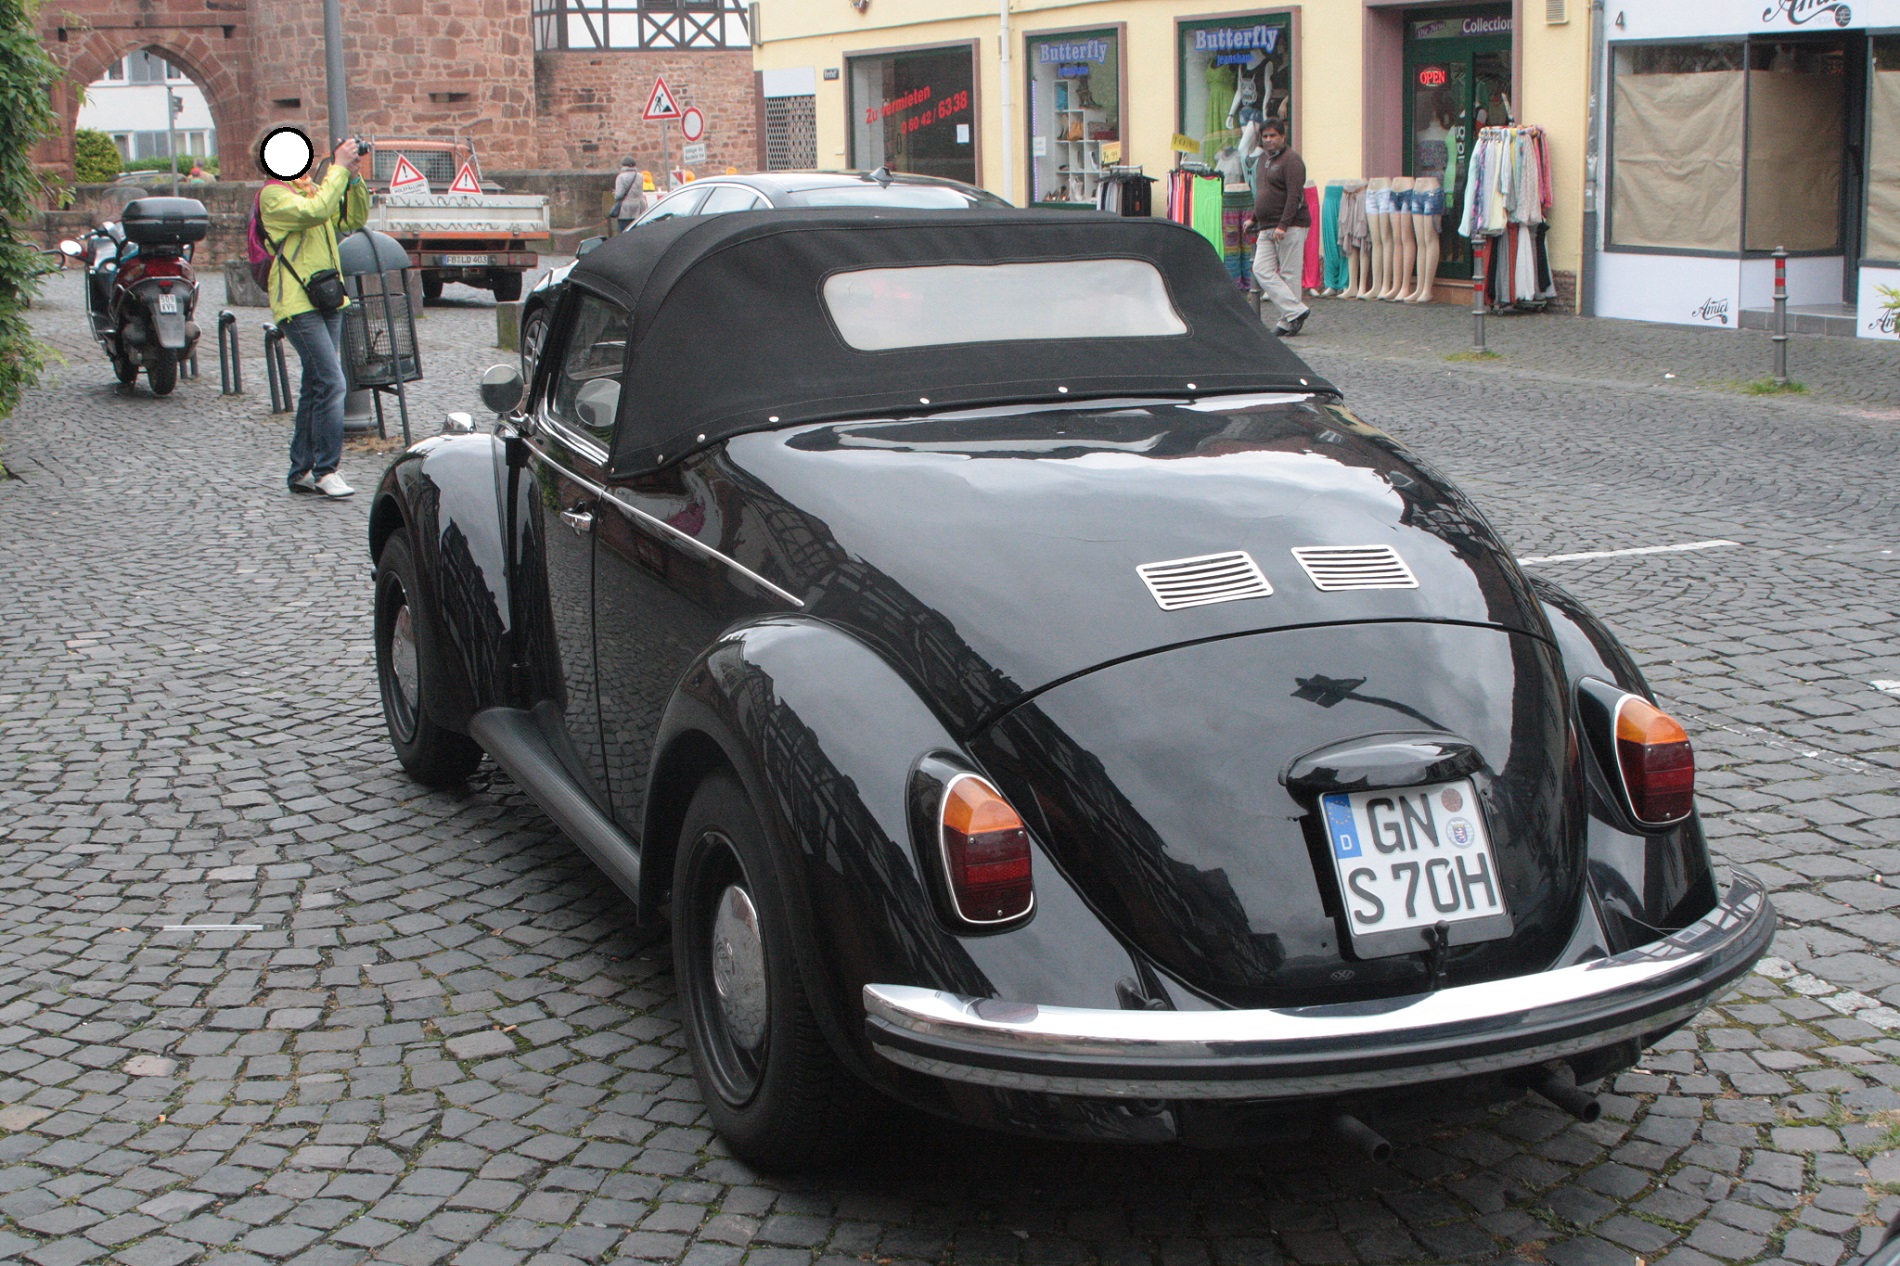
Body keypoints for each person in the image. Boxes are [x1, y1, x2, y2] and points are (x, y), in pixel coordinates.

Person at [263, 136, 369, 498]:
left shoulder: (312, 189)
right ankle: (327, 469)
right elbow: (317, 212)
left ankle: (301, 469)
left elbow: (351, 218)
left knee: (316, 385)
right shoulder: (274, 195)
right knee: (333, 381)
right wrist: (338, 169)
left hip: (325, 297)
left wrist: (352, 178)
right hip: (296, 302)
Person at [1243, 117, 1311, 337]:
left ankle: (1288, 321)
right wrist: (1254, 217)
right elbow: (1263, 192)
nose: (1269, 140)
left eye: (1273, 135)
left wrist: (1284, 225)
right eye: (1265, 136)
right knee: (1261, 269)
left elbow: (1295, 196)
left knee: (1290, 274)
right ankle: (1296, 311)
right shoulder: (1263, 159)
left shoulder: (1292, 160)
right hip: (1266, 225)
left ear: (1283, 137)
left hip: (1290, 225)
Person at [610, 156, 647, 233]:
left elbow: (619, 195)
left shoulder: (620, 177)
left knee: (624, 234)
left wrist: (615, 193)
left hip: (625, 210)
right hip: (638, 208)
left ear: (623, 165)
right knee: (637, 233)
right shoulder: (640, 176)